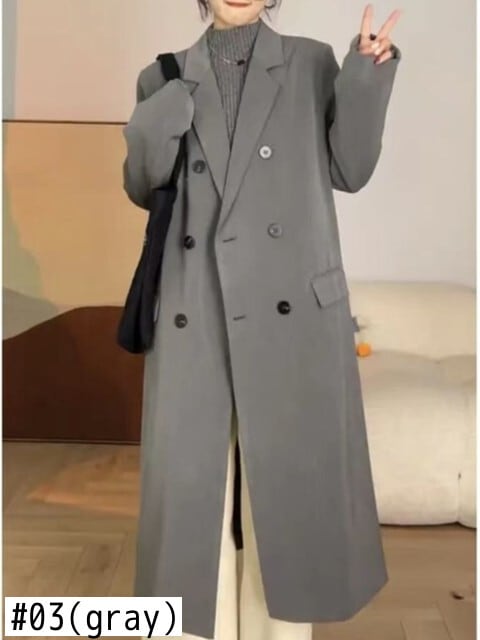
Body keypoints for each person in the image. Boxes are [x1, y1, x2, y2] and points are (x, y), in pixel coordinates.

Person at [122, 1, 402, 638]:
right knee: (199, 491)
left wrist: (365, 71)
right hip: (197, 308)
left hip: (289, 307)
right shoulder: (161, 76)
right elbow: (142, 184)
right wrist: (162, 116)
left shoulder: (311, 63)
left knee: (285, 488)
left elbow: (350, 169)